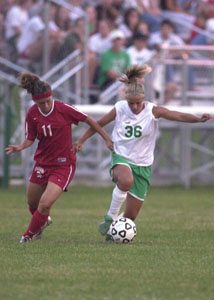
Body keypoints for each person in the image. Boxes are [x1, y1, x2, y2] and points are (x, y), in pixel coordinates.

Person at [73, 64, 212, 241]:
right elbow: (97, 123)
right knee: (126, 180)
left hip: (143, 164)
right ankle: (110, 217)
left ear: (144, 99)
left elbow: (179, 116)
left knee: (130, 216)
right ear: (126, 99)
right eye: (132, 103)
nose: (135, 107)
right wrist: (80, 140)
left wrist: (198, 120)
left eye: (138, 103)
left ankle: (113, 233)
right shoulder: (120, 108)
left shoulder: (153, 110)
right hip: (121, 156)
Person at [5, 72, 113, 243]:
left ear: (52, 96)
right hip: (42, 163)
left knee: (45, 204)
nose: (46, 105)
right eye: (42, 103)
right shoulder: (32, 113)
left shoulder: (64, 109)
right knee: (33, 204)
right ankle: (42, 221)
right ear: (35, 101)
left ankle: (28, 235)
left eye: (48, 101)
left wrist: (107, 139)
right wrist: (20, 146)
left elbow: (90, 120)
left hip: (63, 164)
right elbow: (30, 138)